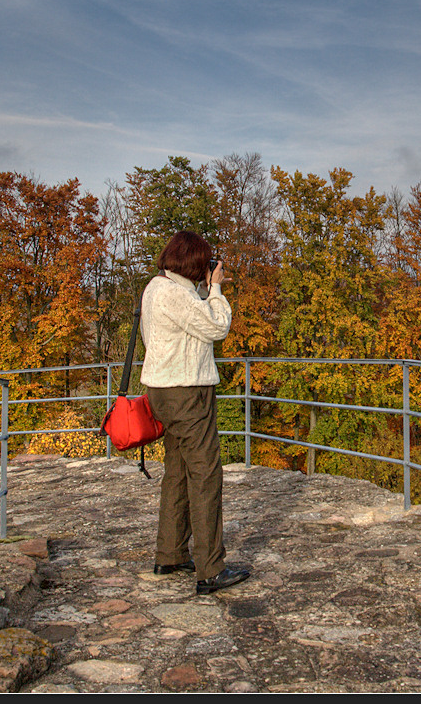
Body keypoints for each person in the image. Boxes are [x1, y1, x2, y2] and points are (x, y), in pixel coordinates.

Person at [140, 230, 250, 595]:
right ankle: (210, 569)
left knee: (178, 471)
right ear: (192, 261)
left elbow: (191, 317)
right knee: (205, 474)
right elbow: (217, 326)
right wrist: (216, 289)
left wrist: (204, 289)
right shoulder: (176, 294)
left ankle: (169, 553)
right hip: (187, 392)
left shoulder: (157, 288)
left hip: (162, 390)